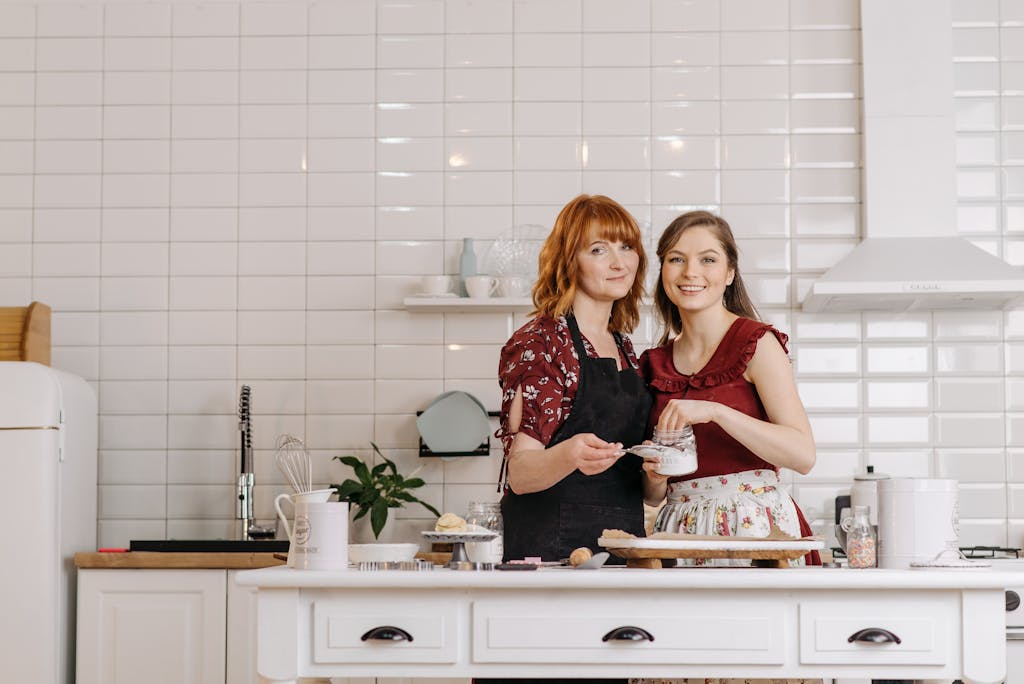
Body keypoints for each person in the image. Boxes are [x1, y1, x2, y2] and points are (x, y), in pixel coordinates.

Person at [638, 210, 821, 570]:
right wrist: (655, 479)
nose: (691, 272)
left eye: (708, 259)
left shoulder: (756, 343)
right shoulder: (653, 363)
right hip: (678, 533)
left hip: (754, 532)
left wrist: (716, 411)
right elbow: (651, 495)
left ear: (729, 273)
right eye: (677, 259)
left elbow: (803, 455)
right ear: (664, 273)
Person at [496, 194, 658, 570]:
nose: (620, 262)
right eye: (599, 250)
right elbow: (520, 473)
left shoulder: (624, 347)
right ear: (570, 262)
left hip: (622, 547)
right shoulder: (542, 343)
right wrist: (570, 453)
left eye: (627, 246)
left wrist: (655, 473)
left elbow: (645, 494)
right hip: (551, 555)